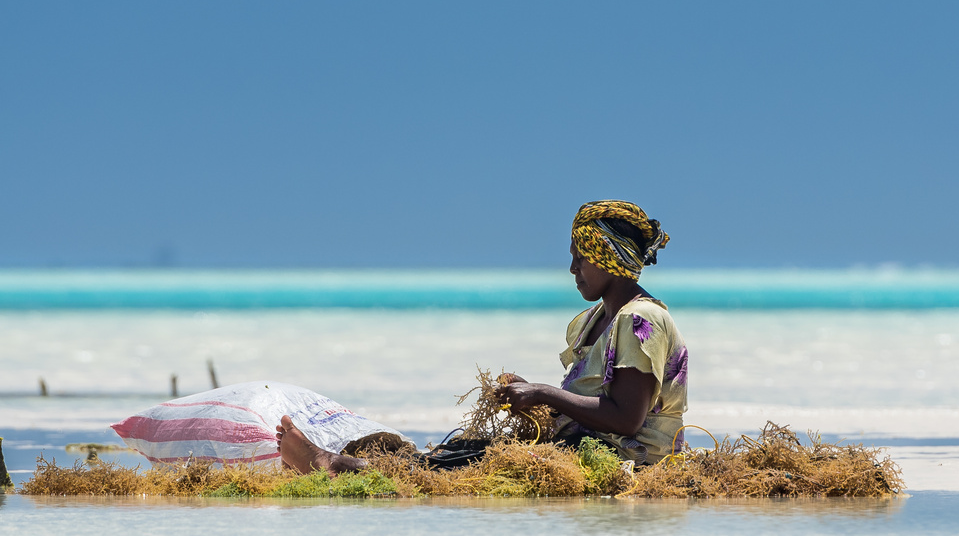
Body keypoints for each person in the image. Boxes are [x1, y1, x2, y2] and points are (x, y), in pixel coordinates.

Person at [276, 200, 690, 474]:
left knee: (463, 466)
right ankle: (346, 461)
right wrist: (531, 396)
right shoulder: (600, 317)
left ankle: (328, 463)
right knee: (463, 449)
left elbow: (627, 418)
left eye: (580, 257)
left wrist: (544, 394)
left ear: (606, 257)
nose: (572, 269)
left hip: (629, 460)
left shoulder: (642, 321)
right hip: (588, 444)